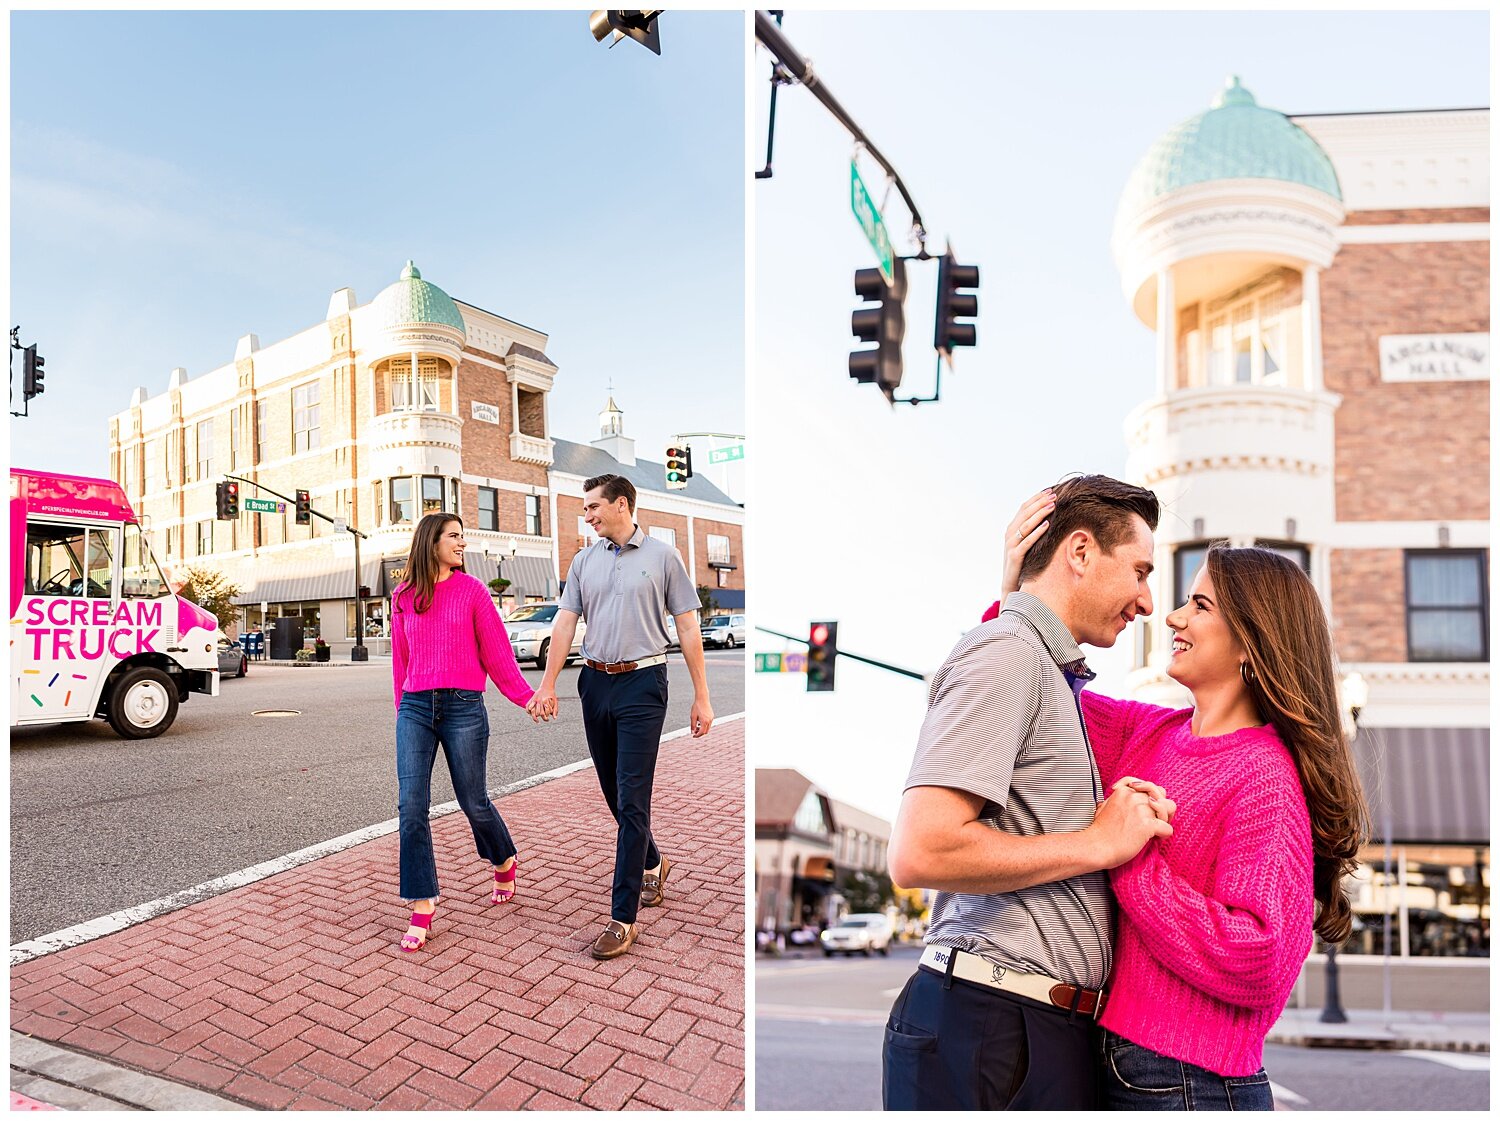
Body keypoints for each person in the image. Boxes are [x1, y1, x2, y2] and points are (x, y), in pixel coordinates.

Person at [994, 493, 1368, 1110]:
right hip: (1121, 1060)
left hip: (1194, 1083)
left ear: (1254, 641)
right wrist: (1019, 596)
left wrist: (1128, 857)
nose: (1171, 618)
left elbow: (1262, 957)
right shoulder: (1154, 734)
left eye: (1198, 605)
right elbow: (1037, 695)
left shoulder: (1264, 776)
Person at [883, 474, 1173, 1111]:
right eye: (1141, 571)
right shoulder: (1009, 656)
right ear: (1079, 552)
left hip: (1024, 1029)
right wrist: (1097, 843)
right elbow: (921, 853)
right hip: (991, 1028)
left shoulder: (1042, 669)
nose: (1148, 601)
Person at [527, 474, 713, 961]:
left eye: (592, 507)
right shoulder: (583, 561)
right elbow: (565, 621)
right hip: (595, 682)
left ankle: (622, 917)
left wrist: (702, 696)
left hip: (643, 684)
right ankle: (653, 860)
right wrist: (548, 684)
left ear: (621, 505)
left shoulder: (663, 557)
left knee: (633, 798)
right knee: (613, 791)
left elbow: (688, 625)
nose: (586, 516)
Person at [391, 512, 535, 952]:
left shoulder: (472, 590)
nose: (461, 544)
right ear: (431, 540)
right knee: (410, 805)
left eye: (462, 537)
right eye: (454, 536)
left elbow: (496, 653)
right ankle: (422, 902)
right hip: (415, 708)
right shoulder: (403, 595)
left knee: (473, 801)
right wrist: (402, 707)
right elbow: (401, 658)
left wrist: (525, 696)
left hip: (463, 707)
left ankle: (503, 858)